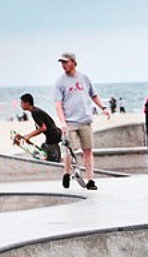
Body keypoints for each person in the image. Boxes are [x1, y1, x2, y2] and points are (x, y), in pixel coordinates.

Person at [54, 52, 110, 190]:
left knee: (88, 150)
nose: (63, 65)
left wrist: (103, 107)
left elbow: (93, 95)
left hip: (85, 121)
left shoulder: (84, 78)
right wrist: (62, 122)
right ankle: (66, 173)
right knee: (69, 150)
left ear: (73, 62)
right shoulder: (60, 82)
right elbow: (58, 104)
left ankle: (90, 180)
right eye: (61, 63)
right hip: (70, 122)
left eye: (65, 62)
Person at [17, 93, 63, 162]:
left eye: (22, 103)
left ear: (27, 103)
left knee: (53, 159)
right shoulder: (35, 111)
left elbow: (43, 128)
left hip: (53, 136)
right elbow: (39, 129)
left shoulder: (35, 112)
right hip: (52, 136)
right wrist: (28, 137)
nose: (21, 105)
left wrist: (28, 136)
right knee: (44, 151)